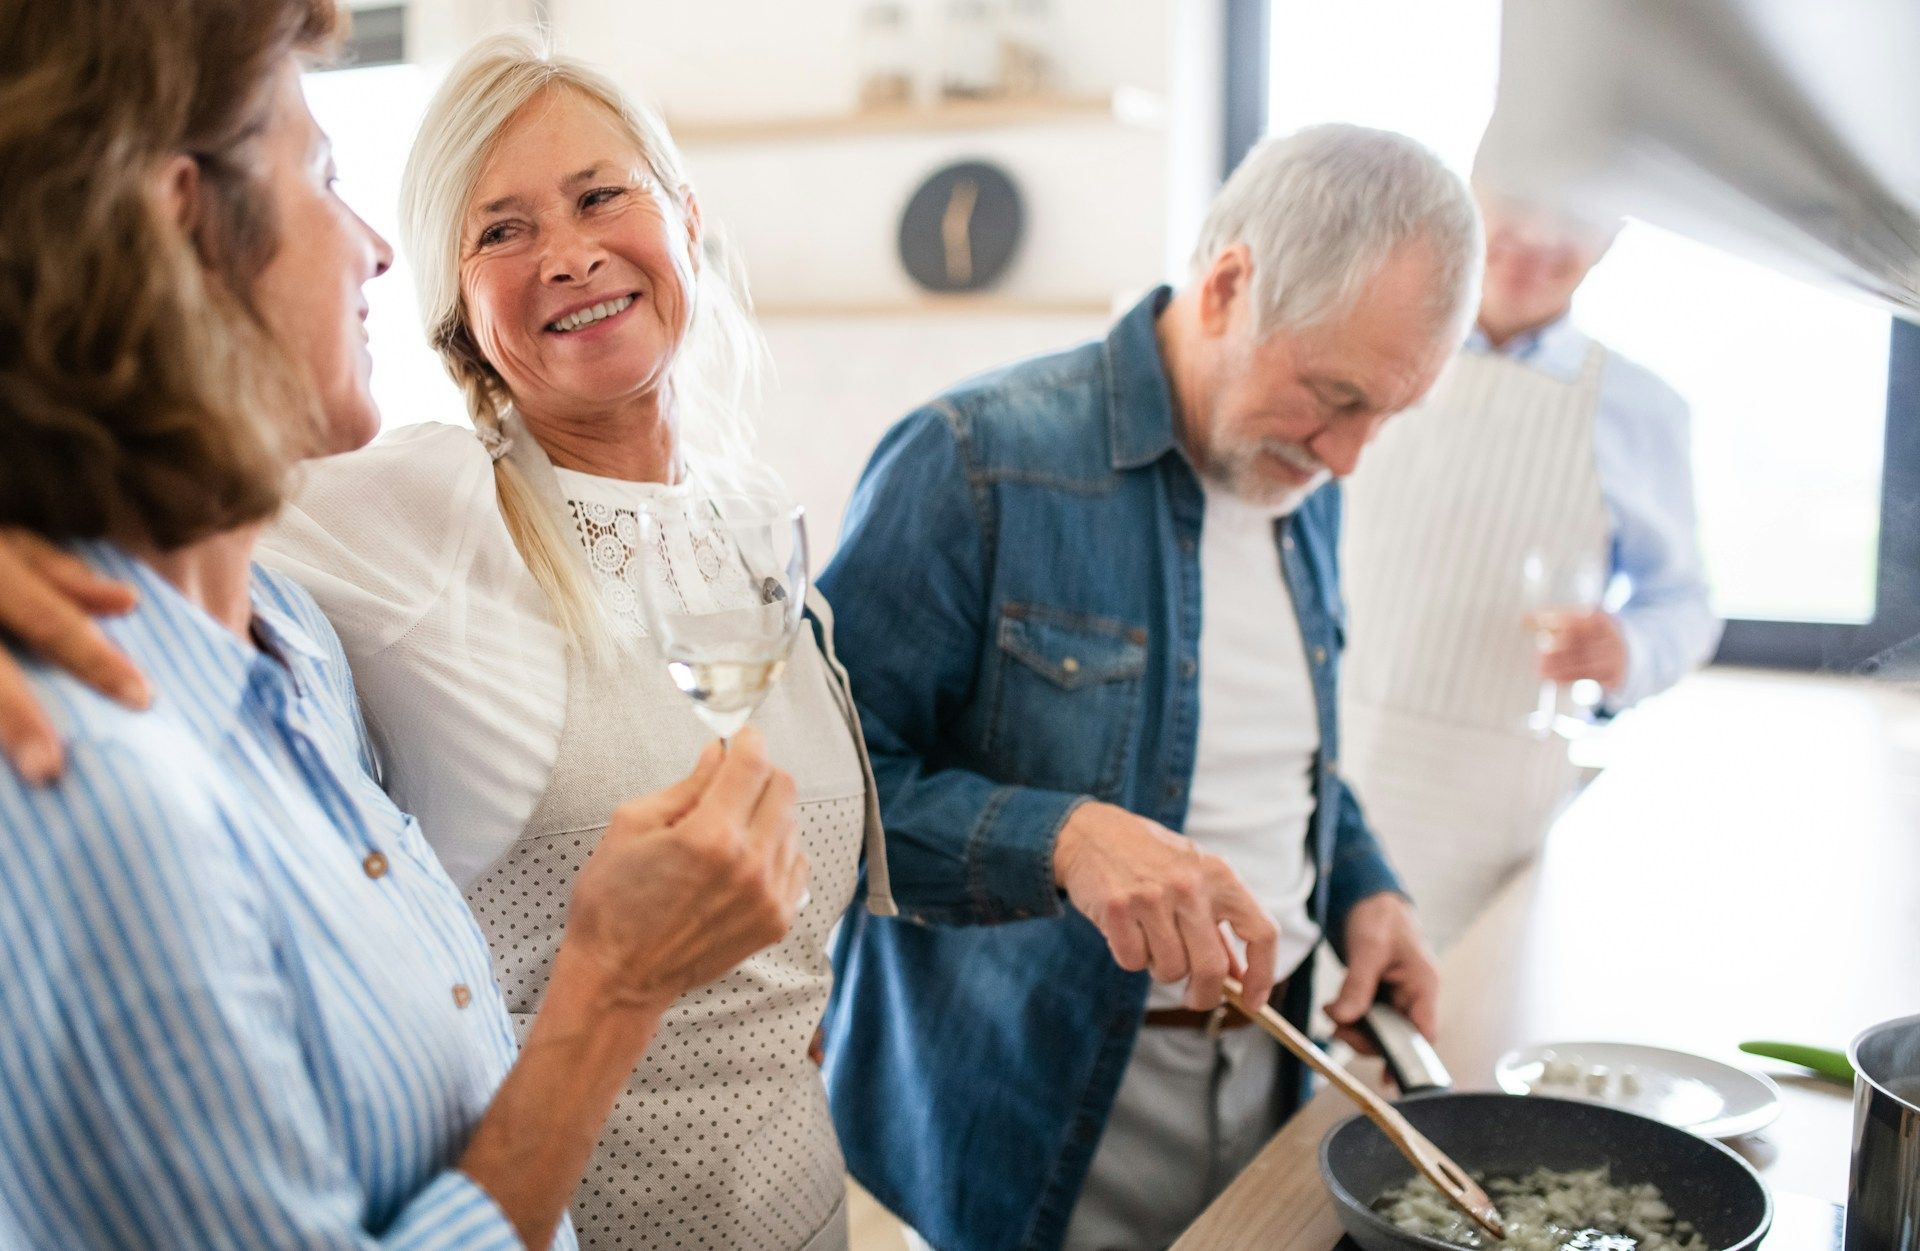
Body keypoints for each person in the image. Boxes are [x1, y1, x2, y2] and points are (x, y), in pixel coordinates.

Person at [0, 29, 893, 1251]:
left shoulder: (300, 662)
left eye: (599, 196)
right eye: (500, 230)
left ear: (686, 218)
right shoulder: (409, 515)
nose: (570, 253)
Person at [815, 125, 1482, 1251]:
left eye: (1383, 416)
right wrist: (1062, 839)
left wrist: (1365, 883)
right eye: (1336, 398)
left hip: (1275, 1059)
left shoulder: (1299, 477)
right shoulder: (974, 461)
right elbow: (809, 803)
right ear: (1227, 285)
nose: (1351, 456)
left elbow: (1273, 750)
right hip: (1030, 1104)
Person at [1337, 189, 1722, 949]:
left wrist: (1629, 648)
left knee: (1453, 1034)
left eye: (1573, 221)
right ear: (1466, 203)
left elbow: (1683, 602)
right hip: (1327, 759)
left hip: (1495, 809)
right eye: (1515, 211)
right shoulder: (1363, 349)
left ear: (1613, 237)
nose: (1538, 240)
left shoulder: (1640, 407)